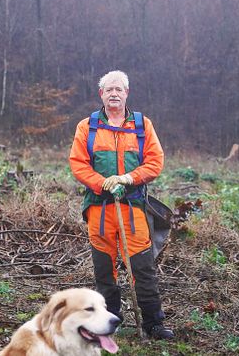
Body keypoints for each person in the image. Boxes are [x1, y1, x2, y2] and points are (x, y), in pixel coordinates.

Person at [69, 70, 174, 340]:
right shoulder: (87, 126)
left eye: (119, 89)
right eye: (109, 89)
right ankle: (107, 324)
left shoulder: (142, 125)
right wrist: (101, 182)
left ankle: (153, 322)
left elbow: (155, 162)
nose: (114, 93)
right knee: (104, 270)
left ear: (127, 93)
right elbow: (78, 163)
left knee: (143, 267)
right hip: (99, 211)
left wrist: (128, 178)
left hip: (133, 208)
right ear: (101, 94)